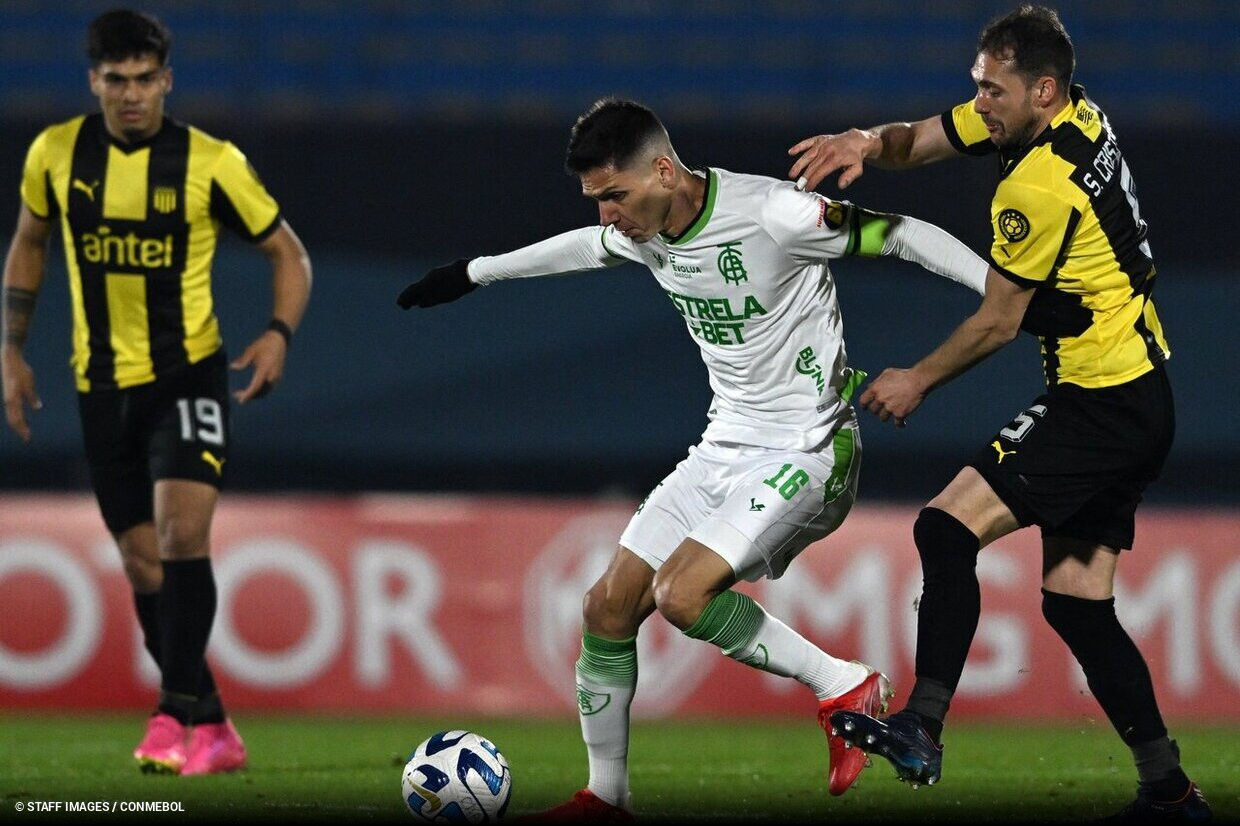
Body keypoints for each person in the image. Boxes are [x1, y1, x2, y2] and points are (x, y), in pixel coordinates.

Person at [397, 97, 988, 819]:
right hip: (723, 446)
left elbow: (901, 235)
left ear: (664, 171)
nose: (607, 214)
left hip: (807, 449)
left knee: (682, 595)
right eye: (597, 200)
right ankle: (606, 800)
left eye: (615, 195)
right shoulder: (644, 231)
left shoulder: (774, 214)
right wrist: (473, 272)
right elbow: (580, 249)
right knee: (608, 608)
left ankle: (843, 681)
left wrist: (1003, 293)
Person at [788, 5, 1210, 822]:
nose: (979, 103)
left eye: (993, 90)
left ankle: (922, 723)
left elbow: (997, 319)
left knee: (946, 528)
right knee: (1076, 604)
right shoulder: (1076, 120)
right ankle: (1168, 788)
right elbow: (929, 137)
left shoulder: (1035, 186)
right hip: (1139, 391)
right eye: (977, 85)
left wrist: (916, 380)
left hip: (1100, 401)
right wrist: (866, 143)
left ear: (1040, 90)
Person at [1, 9, 312, 776]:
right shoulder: (55, 154)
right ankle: (212, 722)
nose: (132, 94)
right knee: (143, 563)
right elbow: (30, 243)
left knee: (181, 538)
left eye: (145, 80)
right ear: (94, 81)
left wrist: (278, 332)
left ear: (166, 80)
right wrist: (11, 348)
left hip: (188, 372)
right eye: (117, 80)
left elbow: (288, 253)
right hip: (100, 383)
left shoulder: (211, 163)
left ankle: (171, 714)